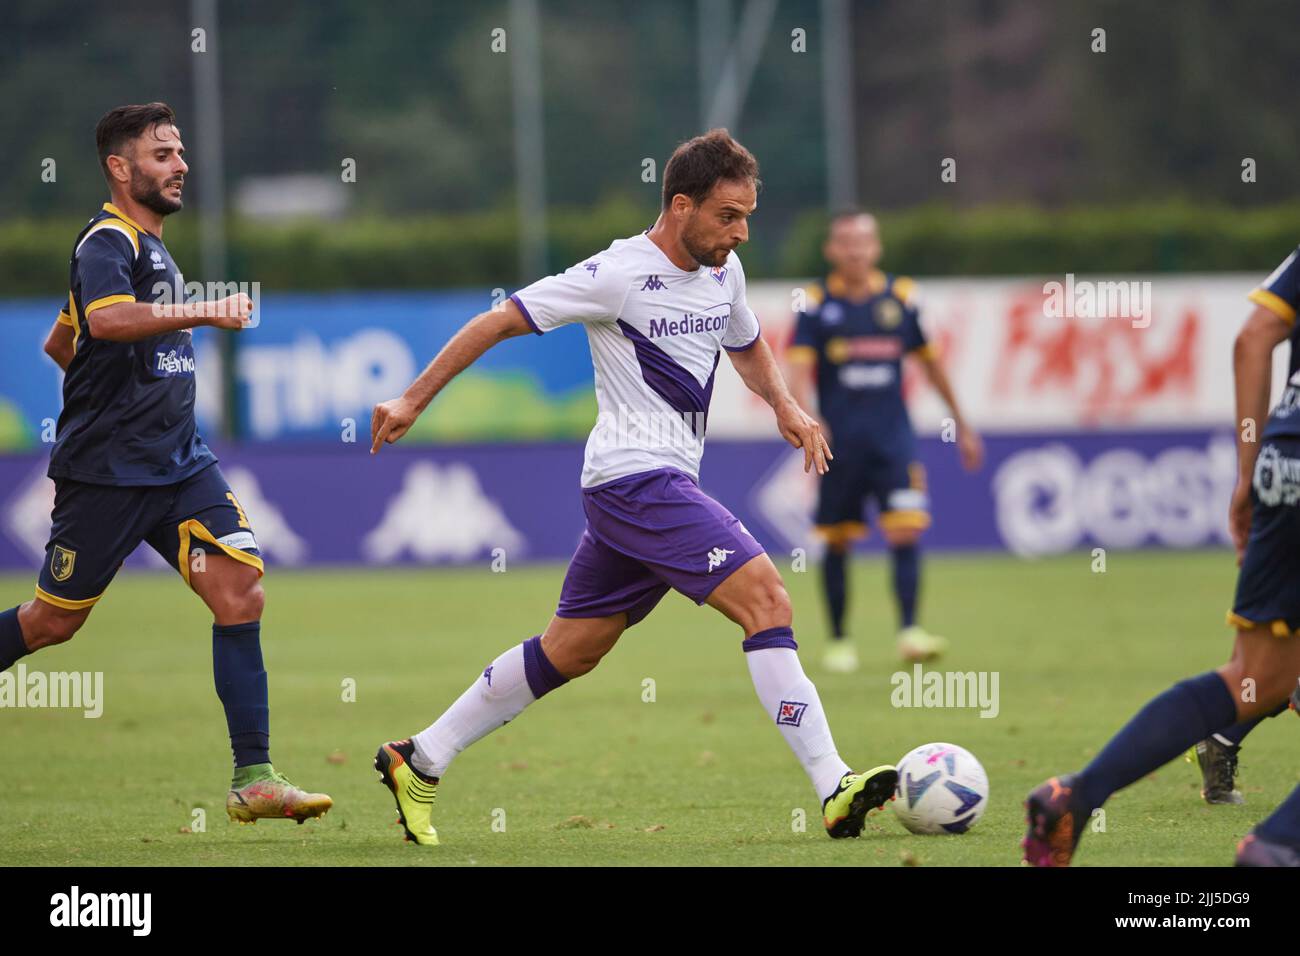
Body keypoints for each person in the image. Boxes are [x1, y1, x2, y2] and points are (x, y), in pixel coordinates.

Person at [368, 130, 897, 846]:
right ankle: (834, 785)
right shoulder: (616, 273)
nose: (740, 234)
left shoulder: (723, 272)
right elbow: (500, 320)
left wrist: (787, 408)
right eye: (727, 216)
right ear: (681, 205)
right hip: (633, 480)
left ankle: (419, 756)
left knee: (572, 648)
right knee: (768, 598)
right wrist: (411, 400)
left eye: (746, 217)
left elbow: (746, 345)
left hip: (652, 486)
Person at [0, 103, 331, 826]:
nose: (179, 165)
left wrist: (112, 379)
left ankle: (256, 778)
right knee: (51, 624)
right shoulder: (106, 242)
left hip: (180, 467)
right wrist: (205, 312)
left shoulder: (152, 248)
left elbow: (67, 341)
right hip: (108, 475)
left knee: (240, 591)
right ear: (120, 169)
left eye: (179, 152)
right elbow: (109, 320)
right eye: (161, 154)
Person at [1024, 246, 1300, 867]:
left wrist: (1250, 472)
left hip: (1286, 462)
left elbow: (1253, 337)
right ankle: (1280, 844)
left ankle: (1076, 795)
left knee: (1258, 679)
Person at [787, 211, 982, 671]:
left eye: (864, 242)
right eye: (846, 243)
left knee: (905, 528)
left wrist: (963, 424)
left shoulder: (901, 298)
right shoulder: (816, 304)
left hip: (893, 440)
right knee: (836, 540)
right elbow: (796, 370)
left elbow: (932, 366)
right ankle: (838, 640)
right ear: (831, 250)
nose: (856, 251)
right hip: (837, 444)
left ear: (876, 248)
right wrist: (807, 417)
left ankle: (910, 631)